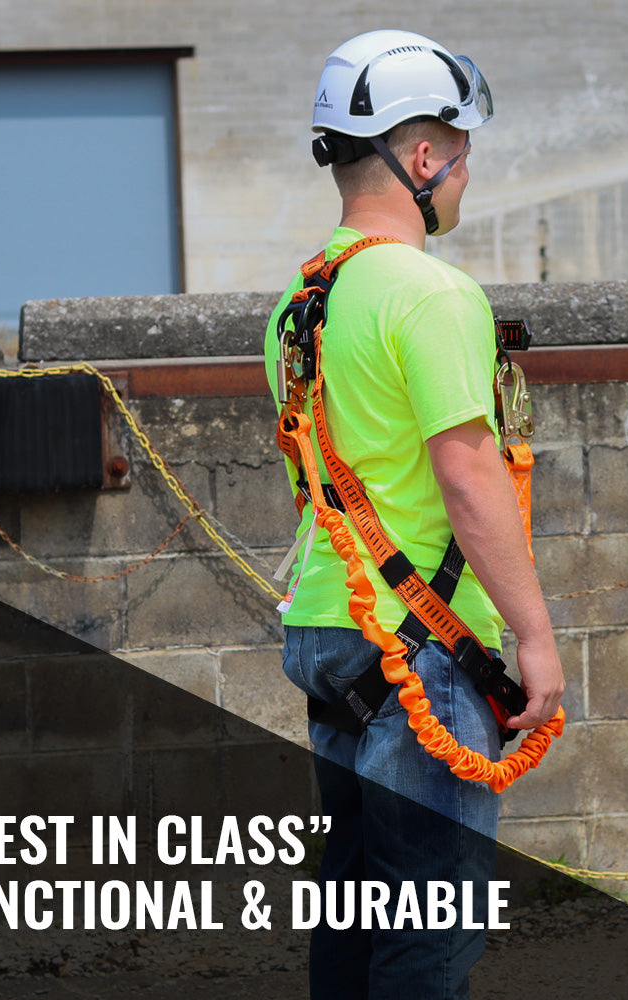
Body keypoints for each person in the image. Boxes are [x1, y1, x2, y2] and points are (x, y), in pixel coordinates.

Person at [264, 29, 564, 999]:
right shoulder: (432, 294)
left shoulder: (301, 302)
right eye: (461, 149)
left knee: (355, 904)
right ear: (421, 157)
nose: (468, 169)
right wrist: (534, 638)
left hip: (329, 633)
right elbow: (468, 481)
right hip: (421, 651)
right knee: (428, 924)